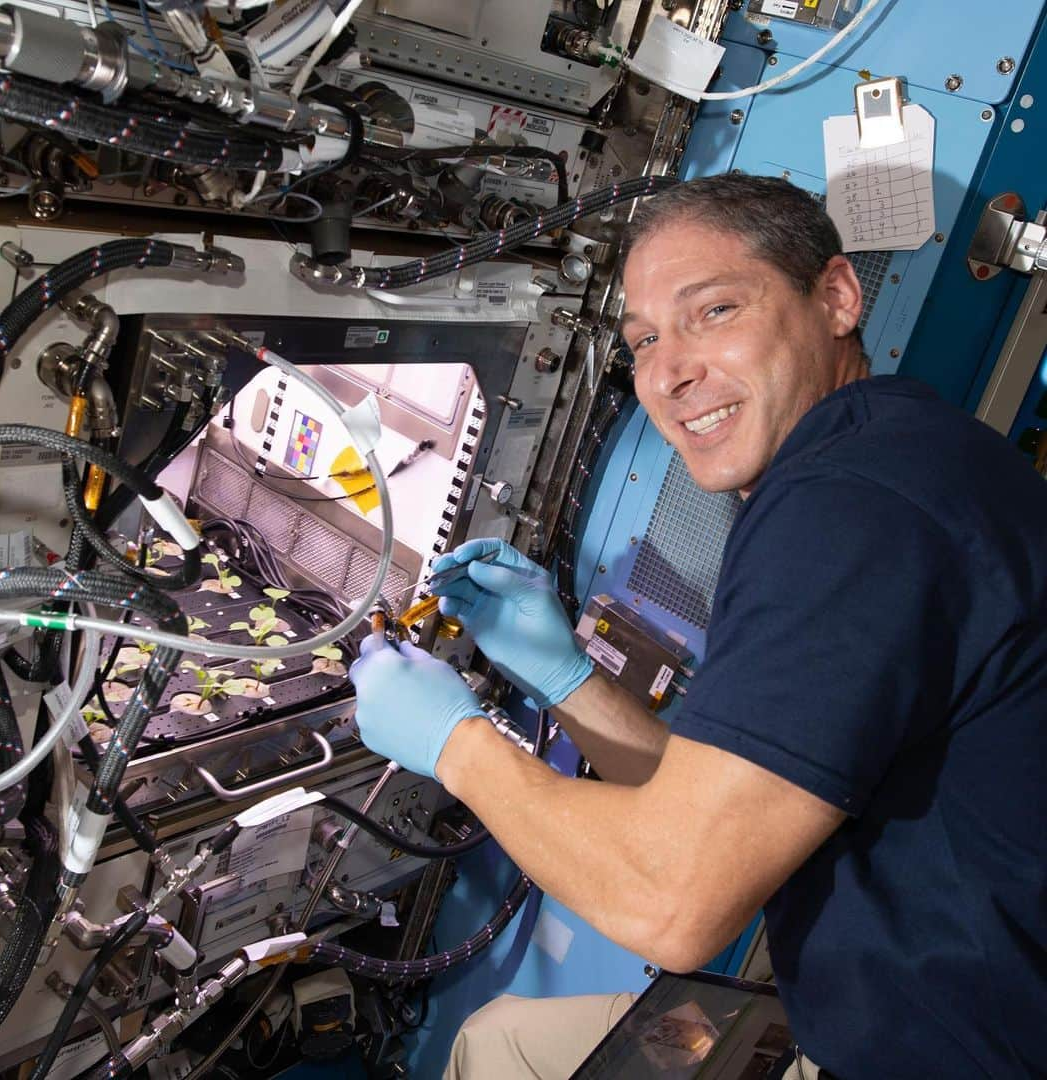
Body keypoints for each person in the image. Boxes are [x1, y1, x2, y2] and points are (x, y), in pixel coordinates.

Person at [350, 174, 1047, 1080]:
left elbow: (675, 905)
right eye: (643, 340)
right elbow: (729, 812)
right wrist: (566, 681)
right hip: (902, 1016)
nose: (669, 372)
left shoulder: (849, 510)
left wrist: (456, 747)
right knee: (502, 1039)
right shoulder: (893, 451)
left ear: (836, 296)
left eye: (713, 311)